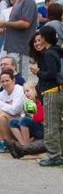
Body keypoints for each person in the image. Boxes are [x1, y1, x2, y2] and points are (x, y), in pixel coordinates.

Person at [30, 25, 63, 167]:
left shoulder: (49, 53)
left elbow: (50, 74)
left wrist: (37, 72)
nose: (39, 40)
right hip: (58, 90)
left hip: (51, 91)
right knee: (59, 125)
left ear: (45, 38)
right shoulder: (57, 51)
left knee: (50, 125)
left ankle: (54, 154)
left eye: (41, 37)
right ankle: (58, 152)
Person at [0, 0, 38, 75]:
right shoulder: (19, 1)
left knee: (20, 79)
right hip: (13, 47)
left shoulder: (28, 1)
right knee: (11, 77)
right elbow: (14, 26)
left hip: (21, 49)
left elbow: (25, 23)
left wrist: (4, 23)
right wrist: (3, 29)